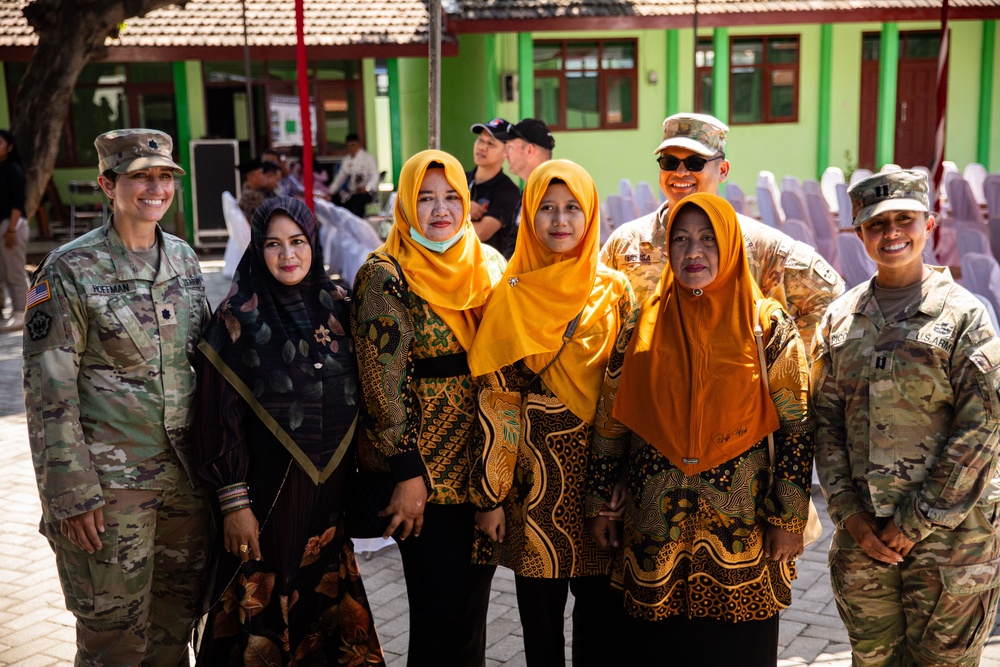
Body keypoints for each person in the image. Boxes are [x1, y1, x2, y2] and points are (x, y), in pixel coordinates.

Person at [587, 192, 814, 665]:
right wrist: (600, 504)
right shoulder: (642, 324)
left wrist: (787, 520)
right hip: (655, 536)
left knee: (737, 654)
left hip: (743, 537)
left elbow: (797, 428)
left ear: (731, 245)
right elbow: (612, 420)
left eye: (709, 239)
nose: (694, 252)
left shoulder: (767, 325)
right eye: (682, 240)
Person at [22, 128, 211, 665]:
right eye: (140, 176)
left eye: (165, 176)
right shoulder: (68, 270)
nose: (156, 187)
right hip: (108, 497)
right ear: (108, 184)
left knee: (174, 634)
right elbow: (48, 392)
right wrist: (70, 497)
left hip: (185, 487)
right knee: (114, 642)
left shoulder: (184, 260)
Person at [813, 170, 1000, 667]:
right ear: (859, 233)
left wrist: (917, 519)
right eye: (876, 224)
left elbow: (982, 429)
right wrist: (850, 515)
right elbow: (826, 424)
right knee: (871, 661)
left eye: (904, 219)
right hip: (865, 539)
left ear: (930, 224)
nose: (891, 232)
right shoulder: (840, 319)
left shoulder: (963, 316)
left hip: (951, 541)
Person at [194, 196, 383, 665]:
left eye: (297, 241)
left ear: (312, 243)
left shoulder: (339, 306)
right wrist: (234, 505)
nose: (287, 255)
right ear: (256, 249)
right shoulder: (234, 318)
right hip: (267, 499)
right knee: (264, 625)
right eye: (273, 244)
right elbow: (219, 419)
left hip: (329, 500)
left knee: (321, 614)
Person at [467, 160, 635, 666]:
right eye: (546, 208)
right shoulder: (510, 295)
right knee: (540, 630)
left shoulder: (616, 291)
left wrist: (626, 475)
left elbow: (631, 392)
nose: (559, 221)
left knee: (601, 624)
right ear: (528, 215)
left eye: (572, 209)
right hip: (534, 490)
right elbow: (498, 407)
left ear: (590, 217)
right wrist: (489, 497)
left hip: (601, 487)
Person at [351, 150, 506, 667]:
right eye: (425, 197)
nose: (440, 210)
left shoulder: (487, 264)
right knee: (439, 613)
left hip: (482, 468)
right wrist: (407, 471)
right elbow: (382, 384)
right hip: (426, 478)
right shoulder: (385, 274)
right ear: (404, 204)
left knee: (469, 614)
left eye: (451, 197)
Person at [600, 112, 843, 352]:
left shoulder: (756, 244)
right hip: (649, 388)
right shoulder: (627, 244)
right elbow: (598, 316)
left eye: (695, 163)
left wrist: (783, 364)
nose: (681, 173)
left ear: (723, 170)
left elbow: (831, 298)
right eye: (669, 162)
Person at [466, 117, 521, 259]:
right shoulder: (458, 178)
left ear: (506, 151)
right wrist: (464, 207)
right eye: (480, 140)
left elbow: (480, 233)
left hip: (487, 271)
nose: (482, 147)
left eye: (491, 143)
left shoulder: (508, 191)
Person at [0, 128, 28, 332]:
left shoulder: (13, 169)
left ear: (9, 147)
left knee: (14, 270)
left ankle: (22, 312)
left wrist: (11, 230)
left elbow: (18, 203)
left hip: (11, 224)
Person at [331, 133, 379, 218]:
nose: (351, 148)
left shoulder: (368, 158)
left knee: (357, 202)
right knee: (336, 199)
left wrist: (367, 188)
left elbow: (375, 175)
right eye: (348, 146)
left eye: (353, 145)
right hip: (351, 192)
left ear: (358, 144)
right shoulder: (346, 161)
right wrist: (330, 192)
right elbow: (339, 178)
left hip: (366, 192)